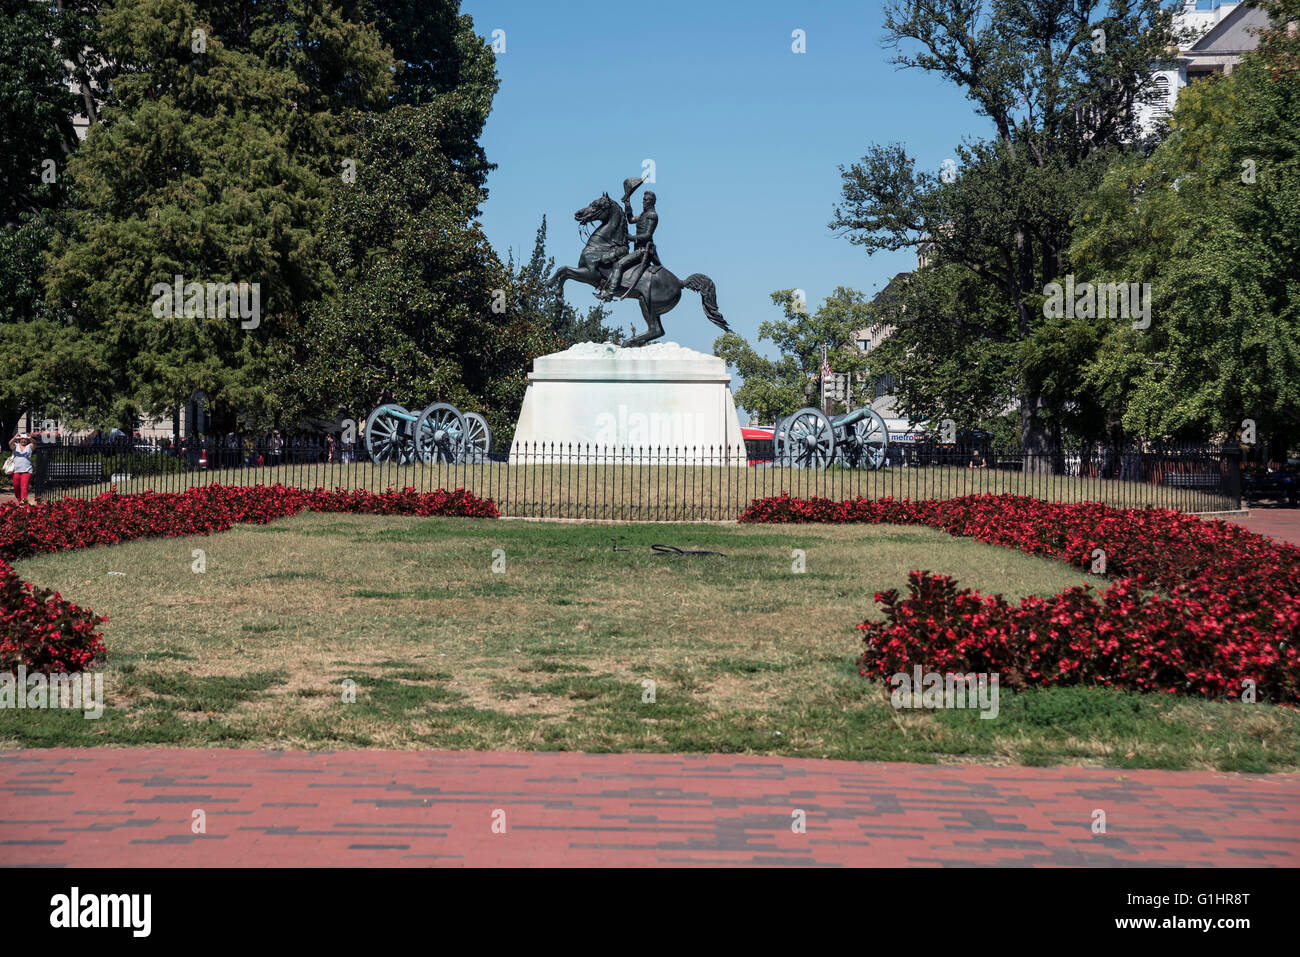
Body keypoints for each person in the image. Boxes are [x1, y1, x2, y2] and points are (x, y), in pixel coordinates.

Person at [8, 432, 36, 504]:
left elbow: (35, 444)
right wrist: (15, 437)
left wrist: (30, 438)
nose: (23, 440)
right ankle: (19, 500)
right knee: (16, 486)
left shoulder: (29, 446)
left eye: (25, 439)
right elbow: (10, 443)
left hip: (27, 471)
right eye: (22, 439)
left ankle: (23, 502)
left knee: (24, 487)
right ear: (19, 439)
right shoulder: (15, 446)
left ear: (27, 440)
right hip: (16, 471)